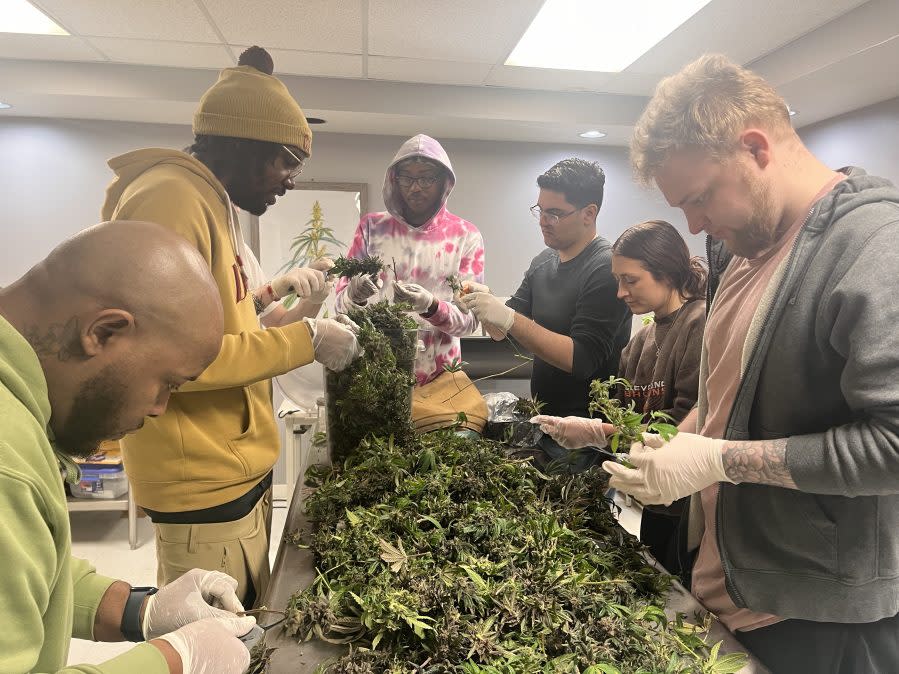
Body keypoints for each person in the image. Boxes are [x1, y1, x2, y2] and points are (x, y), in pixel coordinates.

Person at [605, 53, 899, 672]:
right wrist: (674, 447)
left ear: (756, 148)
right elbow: (725, 392)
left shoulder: (875, 247)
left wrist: (719, 461)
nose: (693, 223)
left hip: (814, 614)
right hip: (729, 578)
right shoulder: (739, 245)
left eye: (701, 197)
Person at [100, 46, 361, 606]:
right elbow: (171, 357)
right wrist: (307, 339)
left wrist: (271, 293)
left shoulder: (209, 202)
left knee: (246, 627)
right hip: (201, 475)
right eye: (286, 161)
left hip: (231, 463)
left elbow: (214, 317)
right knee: (213, 641)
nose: (290, 180)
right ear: (242, 145)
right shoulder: (170, 199)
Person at [0, 220, 257, 674]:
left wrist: (138, 610)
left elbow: (22, 579)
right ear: (103, 332)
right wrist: (172, 663)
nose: (160, 408)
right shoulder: (8, 468)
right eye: (167, 382)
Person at [533, 220, 706, 572]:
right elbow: (623, 415)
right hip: (642, 498)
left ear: (668, 272)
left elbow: (687, 424)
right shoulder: (640, 342)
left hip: (680, 503)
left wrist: (599, 432)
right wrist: (595, 430)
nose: (620, 293)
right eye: (617, 280)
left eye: (631, 280)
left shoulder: (698, 323)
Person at [460, 158, 631, 472]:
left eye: (555, 212)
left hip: (588, 437)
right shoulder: (544, 261)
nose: (543, 220)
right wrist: (481, 303)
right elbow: (501, 332)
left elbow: (579, 360)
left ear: (589, 213)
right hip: (546, 422)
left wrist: (509, 318)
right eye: (540, 210)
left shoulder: (605, 269)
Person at [334, 133, 485, 385]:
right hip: (376, 379)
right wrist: (353, 297)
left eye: (426, 178)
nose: (415, 187)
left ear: (443, 182)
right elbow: (340, 308)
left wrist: (432, 306)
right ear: (395, 179)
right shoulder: (372, 228)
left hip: (441, 380)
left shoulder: (465, 236)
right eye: (407, 178)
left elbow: (469, 322)